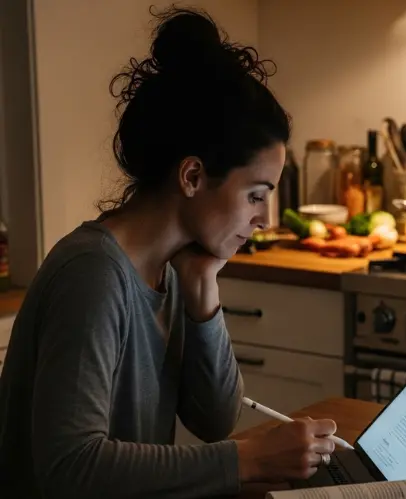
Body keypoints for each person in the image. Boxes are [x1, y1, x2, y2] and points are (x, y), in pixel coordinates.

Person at [0, 6, 338, 499]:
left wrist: (204, 288)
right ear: (193, 176)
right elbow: (69, 467)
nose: (264, 220)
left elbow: (215, 418)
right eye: (256, 195)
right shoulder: (94, 275)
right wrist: (251, 457)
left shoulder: (174, 269)